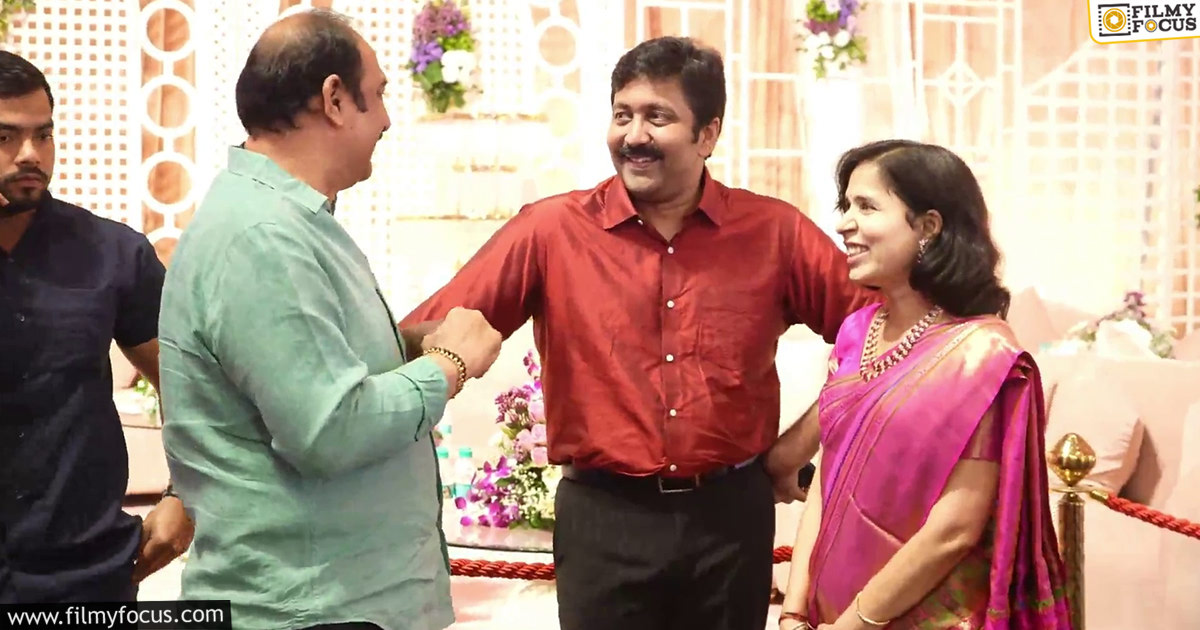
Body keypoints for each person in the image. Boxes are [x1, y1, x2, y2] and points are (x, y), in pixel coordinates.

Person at [400, 36, 875, 630]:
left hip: (730, 523)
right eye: (622, 114)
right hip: (604, 521)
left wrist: (796, 447)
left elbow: (884, 335)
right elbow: (430, 328)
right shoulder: (552, 230)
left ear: (708, 134)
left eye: (658, 117)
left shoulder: (773, 232)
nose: (634, 135)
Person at [157, 9, 501, 630]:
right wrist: (448, 365)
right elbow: (329, 429)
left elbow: (305, 373)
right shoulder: (263, 235)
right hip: (309, 609)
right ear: (335, 99)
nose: (388, 120)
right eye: (380, 95)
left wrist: (401, 344)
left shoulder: (287, 219)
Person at [775, 140, 1071, 629]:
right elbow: (829, 478)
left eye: (867, 206)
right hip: (826, 613)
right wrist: (793, 612)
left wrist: (854, 625)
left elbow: (955, 529)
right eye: (846, 206)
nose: (844, 223)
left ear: (929, 226)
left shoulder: (981, 356)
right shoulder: (856, 332)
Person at [0, 50, 192, 602]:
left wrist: (184, 496)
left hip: (85, 577)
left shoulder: (111, 254)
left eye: (43, 135)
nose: (30, 154)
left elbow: (191, 386)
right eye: (5, 137)